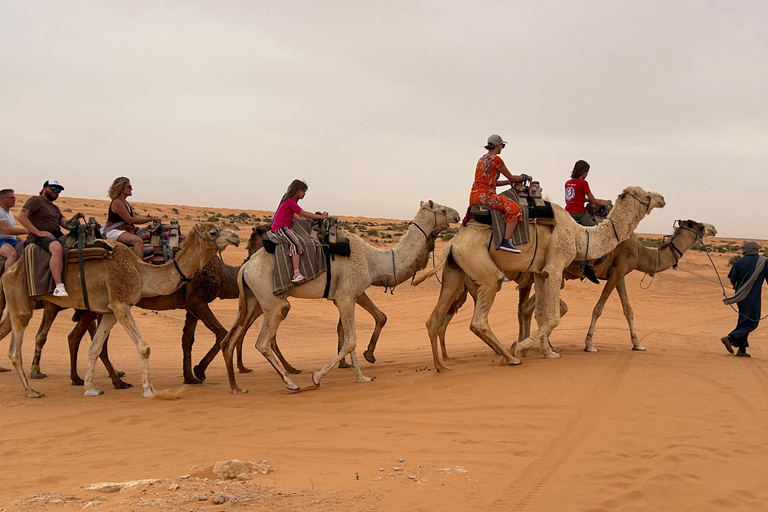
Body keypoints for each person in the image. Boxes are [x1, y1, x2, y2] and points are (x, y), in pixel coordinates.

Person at [17, 179, 84, 297]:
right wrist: (38, 232)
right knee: (57, 248)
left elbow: (65, 224)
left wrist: (75, 218)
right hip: (39, 237)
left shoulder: (55, 208)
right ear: (44, 189)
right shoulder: (36, 200)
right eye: (53, 188)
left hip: (56, 234)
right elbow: (21, 216)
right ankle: (58, 286)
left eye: (58, 190)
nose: (56, 191)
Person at [469, 134, 530, 254]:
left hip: (474, 196)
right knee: (516, 209)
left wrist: (507, 183)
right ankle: (506, 241)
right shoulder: (496, 159)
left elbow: (492, 182)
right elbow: (512, 177)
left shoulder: (481, 159)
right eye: (502, 145)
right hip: (486, 196)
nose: (502, 148)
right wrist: (524, 177)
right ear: (497, 145)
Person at [271, 179, 328, 283]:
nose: (304, 194)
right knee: (296, 244)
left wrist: (307, 219)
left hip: (284, 226)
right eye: (303, 191)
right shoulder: (290, 202)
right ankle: (296, 274)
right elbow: (303, 213)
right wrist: (320, 217)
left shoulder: (289, 202)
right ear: (297, 190)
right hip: (281, 228)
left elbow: (296, 216)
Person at [564, 160, 611, 283]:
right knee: (596, 233)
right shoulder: (583, 183)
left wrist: (589, 200)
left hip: (568, 213)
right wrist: (602, 202)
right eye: (587, 172)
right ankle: (589, 266)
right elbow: (593, 201)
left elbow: (575, 198)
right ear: (584, 172)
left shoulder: (568, 183)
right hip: (579, 214)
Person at [721, 241, 768, 357]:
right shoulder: (763, 262)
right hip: (752, 297)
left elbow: (732, 279)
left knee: (743, 320)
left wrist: (736, 288)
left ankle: (742, 349)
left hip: (740, 296)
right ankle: (730, 338)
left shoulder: (739, 261)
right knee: (752, 322)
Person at [102, 177, 160, 260]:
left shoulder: (125, 203)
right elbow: (130, 220)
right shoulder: (117, 202)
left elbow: (135, 218)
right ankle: (138, 267)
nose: (131, 189)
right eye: (129, 187)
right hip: (114, 231)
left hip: (123, 230)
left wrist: (149, 218)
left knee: (146, 234)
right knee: (138, 241)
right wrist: (149, 220)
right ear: (121, 188)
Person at [0, 188, 27, 272]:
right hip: (2, 241)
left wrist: (24, 241)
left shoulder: (9, 213)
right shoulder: (0, 212)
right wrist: (27, 231)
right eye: (11, 198)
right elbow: (7, 230)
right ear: (2, 199)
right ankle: (7, 280)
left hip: (12, 240)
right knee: (12, 254)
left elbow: (13, 234)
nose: (14, 199)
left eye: (14, 197)